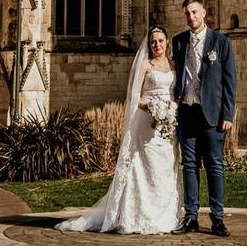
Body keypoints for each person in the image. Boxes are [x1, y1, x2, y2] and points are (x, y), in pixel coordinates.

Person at [56, 26, 181, 234]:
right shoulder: (145, 65)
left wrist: (170, 111)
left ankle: (164, 217)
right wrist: (152, 108)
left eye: (160, 41)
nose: (157, 45)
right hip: (147, 123)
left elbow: (175, 93)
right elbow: (134, 96)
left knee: (165, 167)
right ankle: (138, 216)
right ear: (149, 44)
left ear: (167, 42)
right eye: (153, 42)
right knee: (144, 166)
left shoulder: (173, 64)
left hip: (168, 125)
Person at [172, 0, 236, 237]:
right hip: (187, 111)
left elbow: (229, 82)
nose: (191, 17)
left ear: (204, 13)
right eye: (188, 13)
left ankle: (218, 218)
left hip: (212, 114)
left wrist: (227, 114)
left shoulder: (220, 42)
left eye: (195, 12)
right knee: (189, 165)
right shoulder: (179, 42)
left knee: (214, 165)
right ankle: (191, 216)